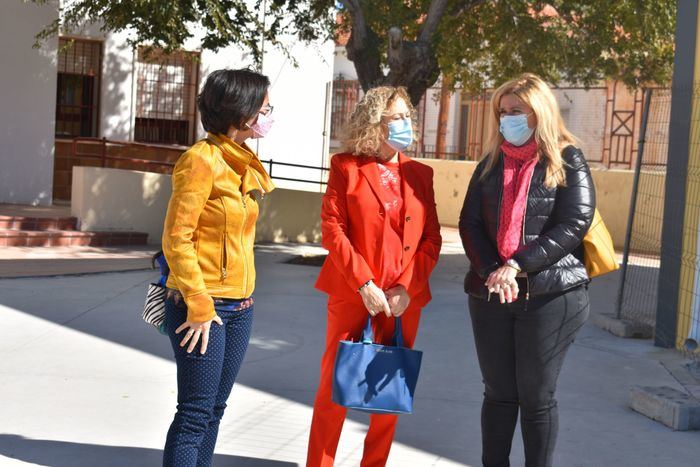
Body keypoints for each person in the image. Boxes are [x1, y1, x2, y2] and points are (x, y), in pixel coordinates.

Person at [459, 73, 594, 467]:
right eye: (502, 112)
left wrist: (516, 265)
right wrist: (492, 270)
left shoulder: (567, 158)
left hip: (550, 296)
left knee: (536, 397)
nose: (506, 119)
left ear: (539, 113)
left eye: (515, 111)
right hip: (492, 294)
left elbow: (575, 222)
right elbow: (469, 223)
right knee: (498, 393)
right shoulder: (491, 161)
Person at [307, 86, 442, 467]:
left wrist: (407, 288)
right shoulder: (346, 167)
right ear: (374, 123)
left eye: (407, 117)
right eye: (396, 117)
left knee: (389, 388)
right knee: (333, 386)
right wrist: (364, 282)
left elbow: (432, 238)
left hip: (403, 301)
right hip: (354, 293)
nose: (405, 124)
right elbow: (333, 230)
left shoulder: (421, 174)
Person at [161, 68, 275, 467]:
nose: (268, 115)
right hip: (203, 308)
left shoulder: (243, 163)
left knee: (214, 410)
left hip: (240, 306)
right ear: (240, 111)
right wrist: (198, 302)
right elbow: (177, 237)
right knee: (194, 415)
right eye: (264, 108)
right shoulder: (201, 160)